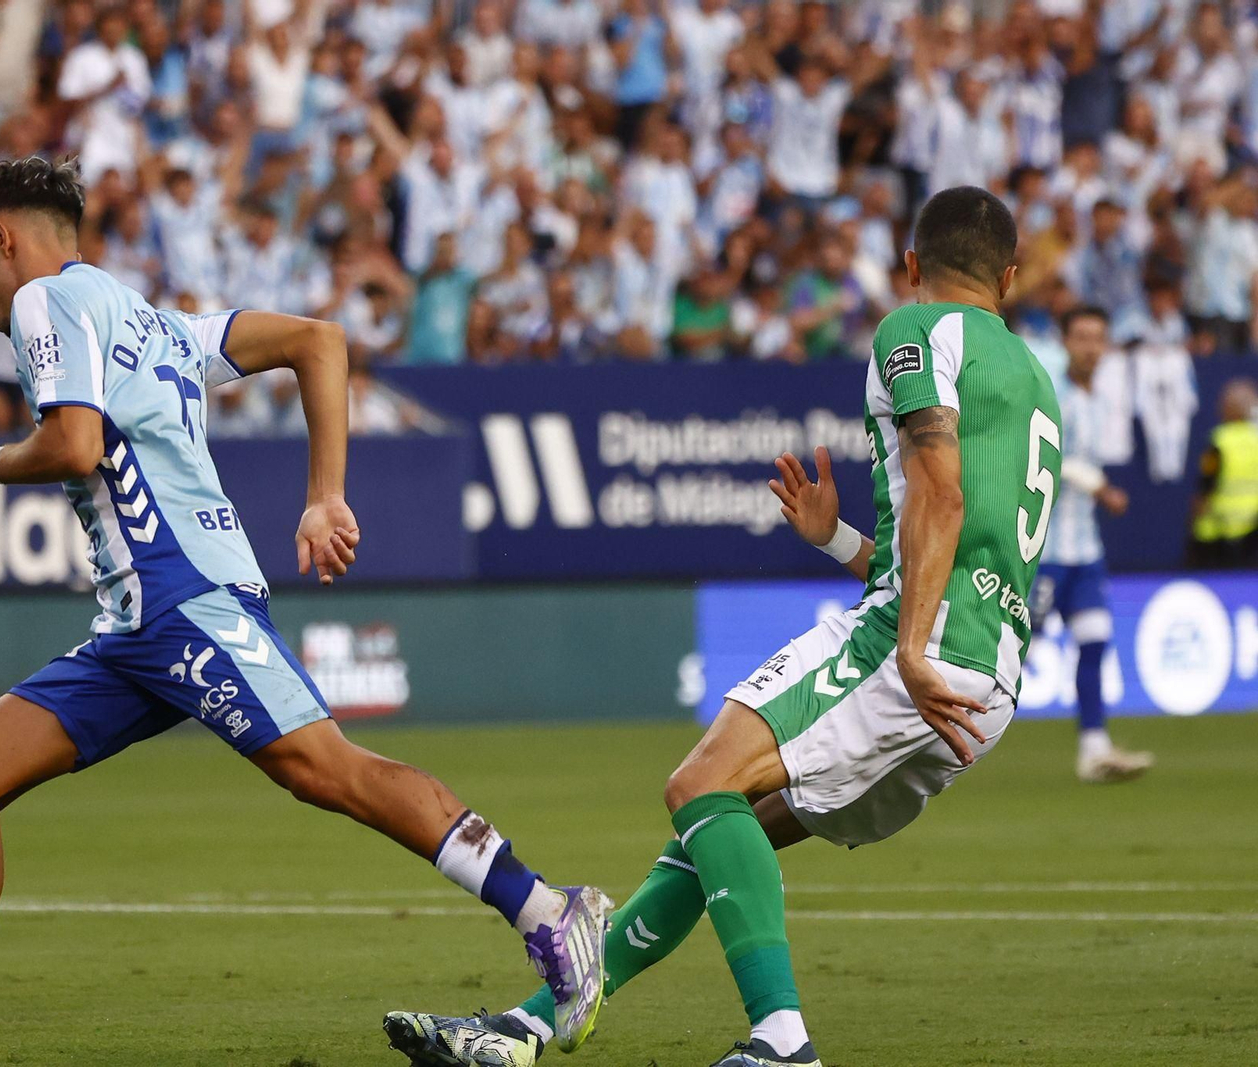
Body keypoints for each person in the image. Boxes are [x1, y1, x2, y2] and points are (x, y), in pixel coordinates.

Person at [0, 157, 610, 1067]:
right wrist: (324, 496)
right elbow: (320, 340)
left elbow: (76, 444)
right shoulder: (157, 322)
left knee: (326, 769)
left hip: (183, 597)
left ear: (5, 237)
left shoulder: (45, 302)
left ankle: (552, 909)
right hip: (134, 627)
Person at [384, 187, 1062, 1067]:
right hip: (984, 684)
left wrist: (907, 643)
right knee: (710, 833)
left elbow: (940, 493)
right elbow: (963, 545)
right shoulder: (1036, 377)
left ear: (910, 266)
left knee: (697, 783)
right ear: (1009, 278)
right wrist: (840, 541)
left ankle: (784, 1044)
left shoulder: (915, 330)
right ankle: (528, 1028)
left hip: (916, 652)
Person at [1031, 306, 1154, 784]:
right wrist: (1100, 486)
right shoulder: (1052, 393)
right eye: (1081, 337)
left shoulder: (1099, 400)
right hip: (1043, 552)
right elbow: (1047, 456)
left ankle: (1094, 749)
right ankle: (929, 737)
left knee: (1095, 641)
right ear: (1065, 341)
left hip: (1086, 551)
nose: (1090, 347)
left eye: (1098, 338)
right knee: (1015, 654)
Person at [1188, 377, 1258, 568]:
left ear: (1232, 408)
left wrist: (1193, 524)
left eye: (1224, 403)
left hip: (1217, 535)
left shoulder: (1220, 441)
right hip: (1252, 533)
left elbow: (1206, 485)